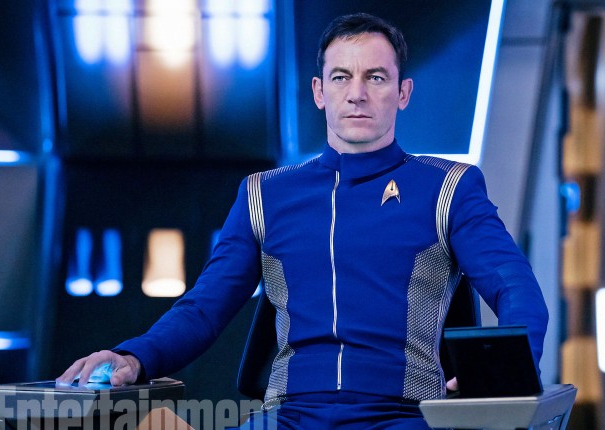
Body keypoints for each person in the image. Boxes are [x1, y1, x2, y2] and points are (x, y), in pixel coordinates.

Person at [58, 12, 548, 429]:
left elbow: (515, 287)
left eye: (376, 78)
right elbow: (204, 308)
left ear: (403, 92)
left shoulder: (449, 187)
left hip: (402, 416)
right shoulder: (264, 194)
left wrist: (504, 373)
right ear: (319, 91)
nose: (357, 94)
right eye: (341, 77)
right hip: (289, 416)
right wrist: (133, 357)